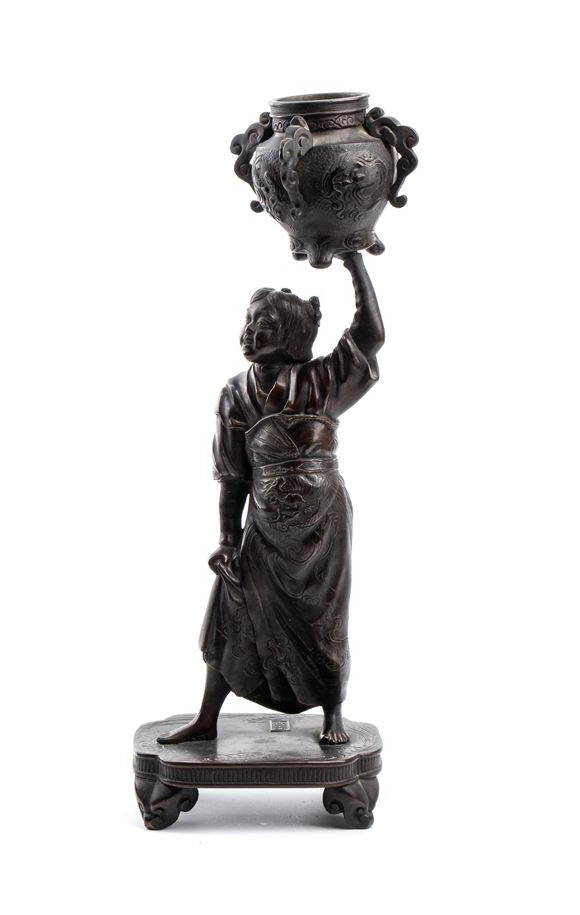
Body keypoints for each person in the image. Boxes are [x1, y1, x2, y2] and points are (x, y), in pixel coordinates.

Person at [158, 251, 384, 745]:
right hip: (262, 523)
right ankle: (207, 717)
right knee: (232, 609)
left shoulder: (322, 380)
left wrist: (354, 263)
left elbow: (371, 336)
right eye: (248, 322)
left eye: (263, 325)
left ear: (291, 334)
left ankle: (333, 713)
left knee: (323, 614)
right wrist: (227, 539)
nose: (249, 333)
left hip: (322, 526)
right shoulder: (234, 394)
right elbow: (232, 475)